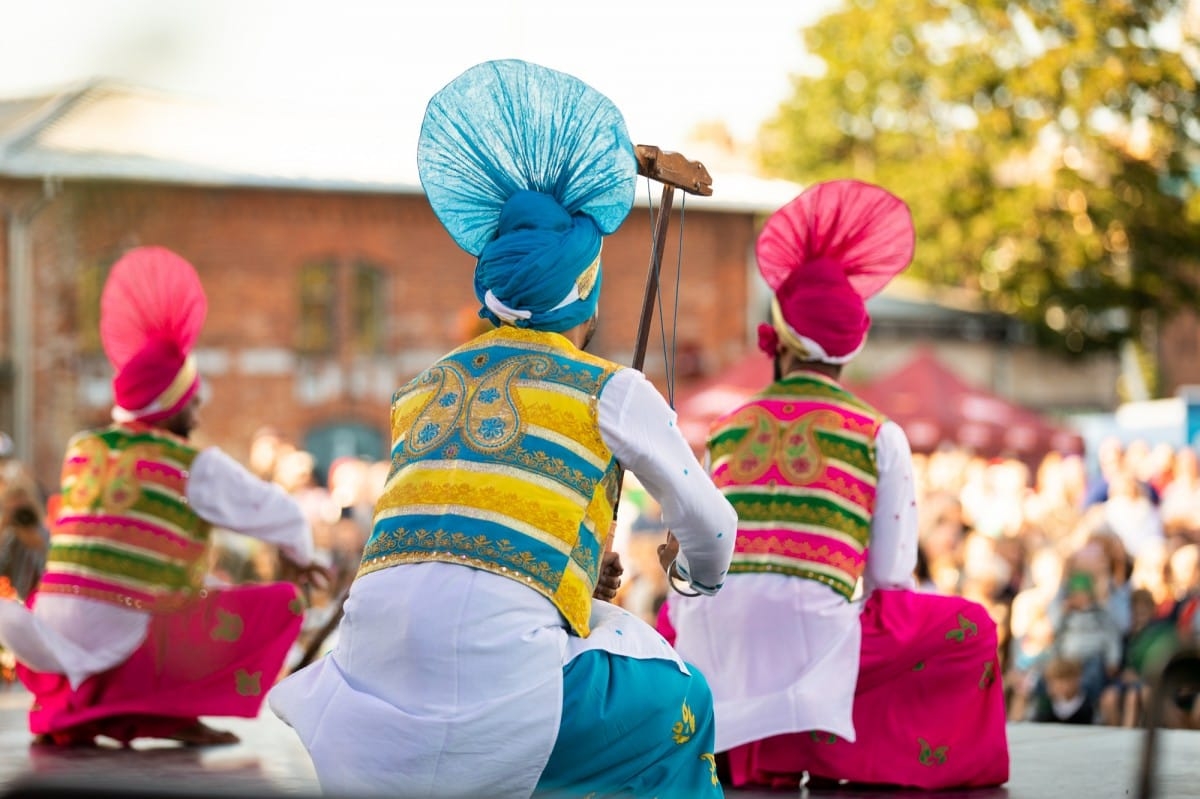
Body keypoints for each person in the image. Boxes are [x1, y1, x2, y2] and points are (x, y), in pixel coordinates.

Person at [268, 59, 738, 799]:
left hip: (367, 704)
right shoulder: (610, 387)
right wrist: (695, 573)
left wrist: (579, 573)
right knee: (686, 703)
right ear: (585, 294)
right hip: (501, 707)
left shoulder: (422, 390)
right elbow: (713, 527)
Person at [657, 180, 1009, 790]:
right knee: (970, 628)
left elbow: (698, 558)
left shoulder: (724, 428)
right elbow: (890, 581)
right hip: (814, 638)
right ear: (851, 345)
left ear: (781, 336)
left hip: (715, 640)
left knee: (670, 622)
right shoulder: (880, 434)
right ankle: (830, 750)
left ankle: (749, 744)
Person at [0, 245, 324, 747]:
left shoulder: (82, 447)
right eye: (192, 404)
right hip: (124, 629)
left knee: (152, 599)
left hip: (53, 621)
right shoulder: (193, 464)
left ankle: (94, 709)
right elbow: (281, 513)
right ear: (175, 407)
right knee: (280, 602)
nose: (197, 415)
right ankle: (177, 714)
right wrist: (301, 559)